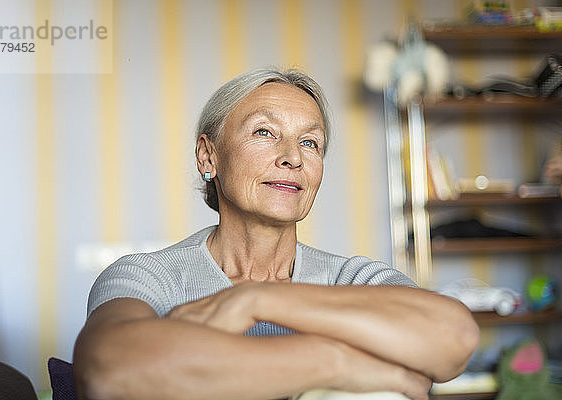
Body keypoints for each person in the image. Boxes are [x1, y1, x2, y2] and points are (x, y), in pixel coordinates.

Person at [73, 68, 479, 400]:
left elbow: (454, 336)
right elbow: (108, 371)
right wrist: (334, 362)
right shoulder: (147, 277)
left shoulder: (353, 279)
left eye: (310, 142)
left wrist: (256, 298)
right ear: (208, 156)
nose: (292, 157)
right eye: (264, 133)